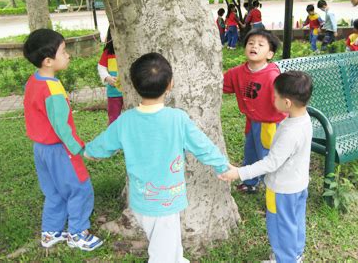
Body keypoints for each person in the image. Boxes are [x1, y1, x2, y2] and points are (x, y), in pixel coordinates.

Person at [83, 52, 230, 262]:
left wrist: (88, 151)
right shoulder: (177, 119)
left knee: (167, 242)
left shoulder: (126, 121)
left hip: (142, 199)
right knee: (162, 252)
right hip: (165, 201)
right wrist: (223, 167)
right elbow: (204, 147)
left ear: (133, 85)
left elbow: (100, 147)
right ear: (170, 84)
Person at [220, 71, 313, 263]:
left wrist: (239, 172)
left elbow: (271, 163)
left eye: (275, 96)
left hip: (281, 189)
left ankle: (285, 259)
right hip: (299, 184)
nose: (272, 98)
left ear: (287, 103)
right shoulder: (303, 119)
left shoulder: (289, 131)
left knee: (280, 226)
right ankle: (295, 254)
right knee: (295, 221)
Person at [22, 29, 102, 251]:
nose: (68, 56)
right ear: (48, 61)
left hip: (40, 149)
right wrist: (80, 149)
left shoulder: (33, 81)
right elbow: (62, 128)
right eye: (64, 51)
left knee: (54, 191)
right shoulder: (53, 89)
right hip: (60, 150)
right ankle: (77, 234)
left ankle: (51, 232)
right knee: (80, 188)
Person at [223, 29, 287, 193]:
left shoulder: (272, 76)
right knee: (250, 152)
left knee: (267, 156)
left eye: (260, 44)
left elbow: (284, 101)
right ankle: (250, 182)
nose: (254, 46)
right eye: (250, 43)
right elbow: (220, 84)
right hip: (252, 122)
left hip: (269, 124)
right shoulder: (237, 72)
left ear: (270, 54)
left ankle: (274, 188)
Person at [98, 27, 123, 124]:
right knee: (114, 119)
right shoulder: (108, 52)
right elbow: (101, 67)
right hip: (114, 92)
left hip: (131, 92)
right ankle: (113, 137)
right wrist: (107, 77)